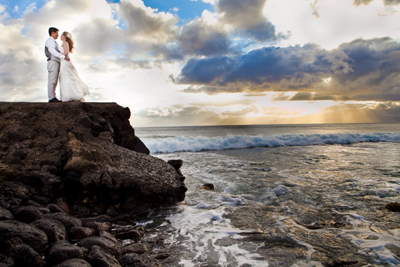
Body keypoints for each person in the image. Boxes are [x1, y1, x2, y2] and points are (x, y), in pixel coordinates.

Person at [59, 31, 90, 102]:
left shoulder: (64, 42)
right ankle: (70, 96)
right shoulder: (64, 43)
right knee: (67, 78)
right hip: (64, 62)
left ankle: (70, 96)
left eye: (61, 35)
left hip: (65, 62)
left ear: (64, 36)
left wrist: (57, 53)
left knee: (66, 77)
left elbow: (66, 53)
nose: (60, 36)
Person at [45, 27, 70, 102]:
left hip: (56, 62)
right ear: (52, 32)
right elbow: (52, 51)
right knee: (52, 80)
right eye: (57, 33)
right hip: (53, 61)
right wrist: (63, 56)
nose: (58, 35)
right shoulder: (50, 41)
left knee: (54, 80)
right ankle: (51, 97)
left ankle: (53, 96)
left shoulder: (54, 42)